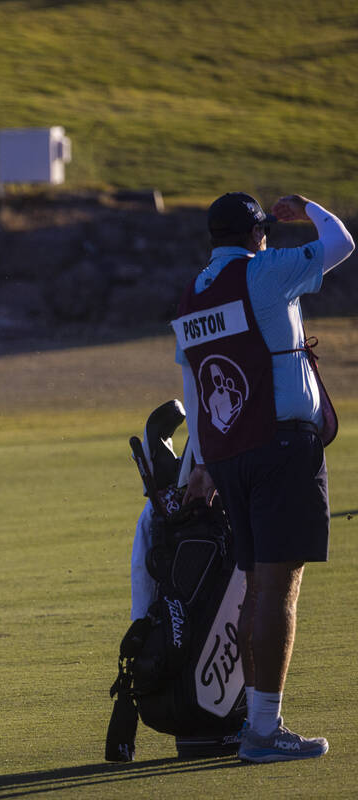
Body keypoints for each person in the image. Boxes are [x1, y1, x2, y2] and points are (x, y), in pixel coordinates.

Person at [173, 192, 353, 763]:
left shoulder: (191, 295)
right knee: (279, 586)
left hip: (228, 456)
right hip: (280, 448)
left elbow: (196, 391)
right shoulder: (267, 270)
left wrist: (200, 466)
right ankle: (262, 732)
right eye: (266, 232)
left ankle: (257, 723)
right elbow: (343, 244)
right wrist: (308, 208)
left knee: (257, 585)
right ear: (257, 235)